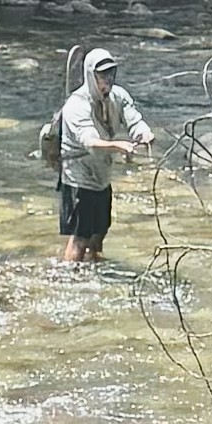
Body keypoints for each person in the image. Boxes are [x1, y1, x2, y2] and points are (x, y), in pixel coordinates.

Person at [52, 46, 153, 263]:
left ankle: (94, 268)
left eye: (110, 74)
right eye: (101, 76)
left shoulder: (119, 96)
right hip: (78, 178)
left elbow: (134, 119)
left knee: (100, 233)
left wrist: (144, 133)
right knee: (80, 237)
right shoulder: (76, 106)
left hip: (101, 177)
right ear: (90, 75)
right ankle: (70, 277)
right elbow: (90, 142)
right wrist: (119, 146)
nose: (107, 80)